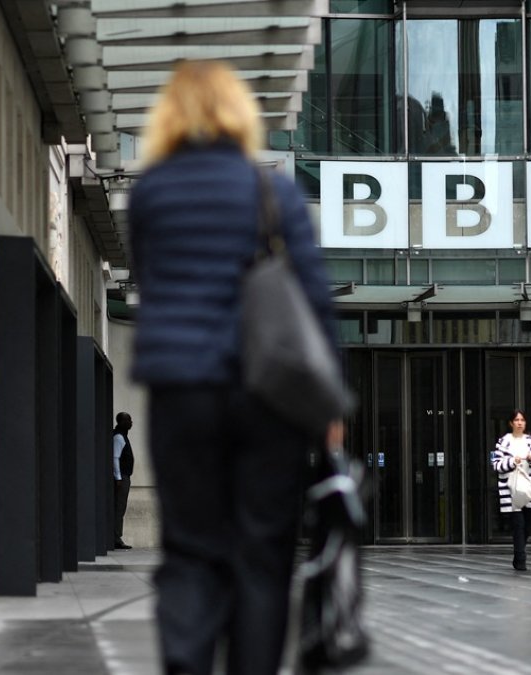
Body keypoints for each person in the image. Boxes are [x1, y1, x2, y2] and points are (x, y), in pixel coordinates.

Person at [128, 60, 344, 675]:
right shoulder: (271, 191)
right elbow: (314, 298)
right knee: (262, 552)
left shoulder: (151, 191)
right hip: (266, 396)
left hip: (182, 391)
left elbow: (149, 281)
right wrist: (330, 405)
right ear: (238, 113)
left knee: (192, 551)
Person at [491, 410, 531, 571]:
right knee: (518, 525)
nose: (520, 423)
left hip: (528, 488)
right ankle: (521, 558)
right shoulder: (502, 442)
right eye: (517, 420)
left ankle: (518, 555)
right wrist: (511, 462)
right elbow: (496, 465)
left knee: (527, 525)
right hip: (511, 488)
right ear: (511, 423)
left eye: (522, 420)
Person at [113, 412, 135, 550]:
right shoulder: (119, 437)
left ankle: (116, 536)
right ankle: (116, 538)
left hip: (124, 477)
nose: (131, 422)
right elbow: (115, 458)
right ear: (120, 422)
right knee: (119, 507)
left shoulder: (122, 436)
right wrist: (118, 477)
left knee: (120, 508)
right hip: (122, 478)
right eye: (127, 420)